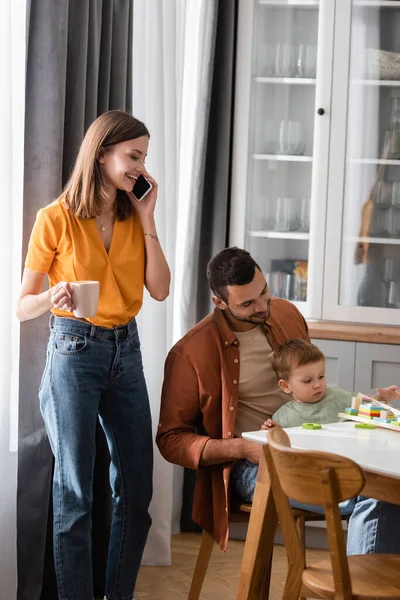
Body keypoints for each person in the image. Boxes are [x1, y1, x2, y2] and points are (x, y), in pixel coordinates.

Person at [17, 110, 170, 600]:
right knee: (77, 495)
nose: (141, 168)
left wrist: (148, 218)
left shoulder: (132, 214)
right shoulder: (54, 218)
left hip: (126, 348)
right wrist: (52, 297)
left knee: (137, 494)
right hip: (73, 349)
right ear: (102, 153)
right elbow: (22, 307)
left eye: (143, 157)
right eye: (134, 156)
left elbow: (161, 290)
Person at [157, 247, 310, 550]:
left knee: (380, 489)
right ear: (220, 302)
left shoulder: (288, 313)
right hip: (249, 465)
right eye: (248, 303)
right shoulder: (190, 353)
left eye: (264, 293)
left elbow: (311, 383)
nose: (263, 306)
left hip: (307, 448)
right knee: (362, 493)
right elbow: (170, 440)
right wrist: (241, 447)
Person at [231, 338, 400, 521]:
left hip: (337, 469)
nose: (317, 384)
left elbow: (363, 406)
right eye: (307, 380)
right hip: (307, 474)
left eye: (321, 376)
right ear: (286, 386)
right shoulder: (284, 416)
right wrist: (270, 431)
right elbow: (273, 450)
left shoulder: (337, 397)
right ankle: (351, 500)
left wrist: (381, 397)